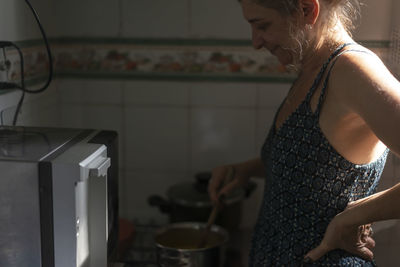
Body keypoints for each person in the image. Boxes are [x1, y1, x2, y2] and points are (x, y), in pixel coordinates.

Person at [208, 0, 400, 265]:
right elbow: (311, 163)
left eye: (262, 25)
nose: (256, 42)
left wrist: (353, 217)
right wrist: (246, 170)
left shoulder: (353, 70)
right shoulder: (312, 67)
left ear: (307, 9)